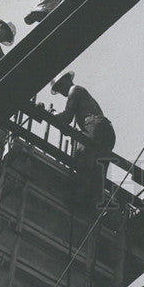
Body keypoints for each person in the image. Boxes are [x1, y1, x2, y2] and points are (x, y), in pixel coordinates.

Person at [50, 71, 116, 207]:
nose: (61, 91)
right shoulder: (82, 95)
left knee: (82, 157)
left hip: (95, 127)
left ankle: (78, 200)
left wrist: (53, 114)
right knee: (98, 172)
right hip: (107, 132)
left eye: (60, 87)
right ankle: (94, 206)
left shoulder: (75, 90)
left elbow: (67, 117)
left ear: (66, 81)